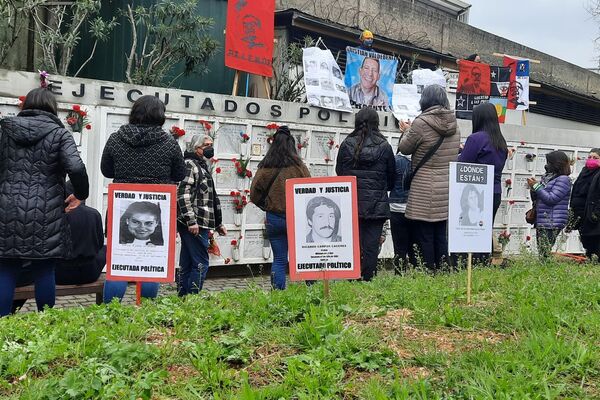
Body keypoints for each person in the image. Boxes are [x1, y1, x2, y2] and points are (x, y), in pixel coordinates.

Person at [0, 88, 89, 317]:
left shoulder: (5, 131)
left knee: (6, 267)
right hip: (46, 211)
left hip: (7, 208)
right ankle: (46, 323)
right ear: (53, 107)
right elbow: (76, 167)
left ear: (25, 105)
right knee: (45, 268)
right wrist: (80, 194)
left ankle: (2, 325)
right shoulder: (59, 134)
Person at [101, 95, 186, 303]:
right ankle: (144, 312)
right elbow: (180, 174)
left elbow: (106, 170)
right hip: (156, 210)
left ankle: (108, 314)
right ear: (160, 116)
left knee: (118, 264)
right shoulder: (169, 142)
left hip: (123, 206)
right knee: (151, 264)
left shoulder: (115, 138)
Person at [11, 182, 105, 314]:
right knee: (105, 249)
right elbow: (99, 244)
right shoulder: (94, 214)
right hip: (90, 272)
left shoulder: (53, 215)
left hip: (59, 274)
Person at [398, 84, 460, 271]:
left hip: (424, 186)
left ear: (425, 100)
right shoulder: (454, 124)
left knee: (424, 232)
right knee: (440, 231)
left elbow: (405, 148)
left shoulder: (421, 123)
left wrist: (406, 131)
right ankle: (443, 270)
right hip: (445, 186)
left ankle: (428, 271)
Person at [336, 108, 395, 281]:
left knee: (352, 243)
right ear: (376, 123)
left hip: (350, 203)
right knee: (371, 246)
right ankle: (368, 279)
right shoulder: (384, 147)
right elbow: (391, 177)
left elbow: (340, 172)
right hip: (376, 205)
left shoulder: (347, 144)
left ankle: (352, 278)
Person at [250, 126, 310, 289]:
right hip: (297, 218)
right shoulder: (300, 168)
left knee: (279, 259)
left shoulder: (265, 167)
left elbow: (254, 194)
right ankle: (311, 291)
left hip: (274, 218)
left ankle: (278, 295)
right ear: (292, 145)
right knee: (306, 256)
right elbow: (310, 191)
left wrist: (268, 206)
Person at [177, 134, 227, 296]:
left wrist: (218, 224)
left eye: (211, 145)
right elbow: (183, 195)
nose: (209, 148)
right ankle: (192, 298)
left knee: (188, 262)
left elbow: (210, 198)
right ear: (196, 148)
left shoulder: (201, 165)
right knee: (201, 263)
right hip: (194, 223)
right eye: (206, 145)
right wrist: (191, 221)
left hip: (200, 222)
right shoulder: (190, 165)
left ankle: (183, 298)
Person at [458, 102, 508, 221]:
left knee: (472, 231)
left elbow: (462, 163)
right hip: (495, 192)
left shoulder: (476, 138)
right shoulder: (501, 141)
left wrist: (459, 152)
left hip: (476, 193)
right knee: (485, 232)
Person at [527, 151, 572, 259]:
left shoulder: (563, 180)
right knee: (542, 251)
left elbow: (551, 199)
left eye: (549, 162)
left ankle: (545, 272)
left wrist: (537, 186)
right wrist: (534, 188)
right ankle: (543, 271)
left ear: (557, 164)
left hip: (552, 221)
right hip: (543, 220)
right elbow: (539, 197)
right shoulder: (548, 178)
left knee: (544, 252)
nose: (547, 165)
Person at [569, 148, 600, 260]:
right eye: (590, 157)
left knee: (595, 238)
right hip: (580, 213)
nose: (591, 160)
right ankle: (590, 257)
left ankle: (595, 259)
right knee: (585, 238)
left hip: (593, 214)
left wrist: (596, 213)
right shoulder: (584, 171)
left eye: (595, 158)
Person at [388, 152, 414, 273]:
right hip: (415, 208)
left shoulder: (395, 160)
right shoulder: (421, 159)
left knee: (399, 248)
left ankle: (399, 273)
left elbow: (389, 183)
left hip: (396, 207)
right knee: (415, 247)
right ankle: (416, 274)